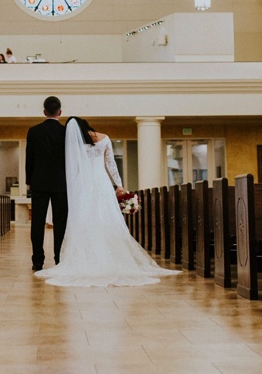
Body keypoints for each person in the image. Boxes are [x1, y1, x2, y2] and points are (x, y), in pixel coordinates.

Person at [35, 117, 180, 287]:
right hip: (102, 183)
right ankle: (111, 256)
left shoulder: (73, 144)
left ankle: (87, 258)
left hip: (82, 184)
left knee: (84, 220)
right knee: (106, 219)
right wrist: (119, 185)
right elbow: (111, 164)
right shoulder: (104, 138)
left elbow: (69, 167)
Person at [26, 96, 68, 271]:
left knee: (37, 223)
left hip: (39, 183)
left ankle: (38, 261)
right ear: (60, 112)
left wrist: (29, 182)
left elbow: (30, 159)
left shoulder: (34, 131)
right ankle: (60, 259)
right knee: (61, 223)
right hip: (61, 184)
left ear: (44, 112)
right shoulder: (66, 132)